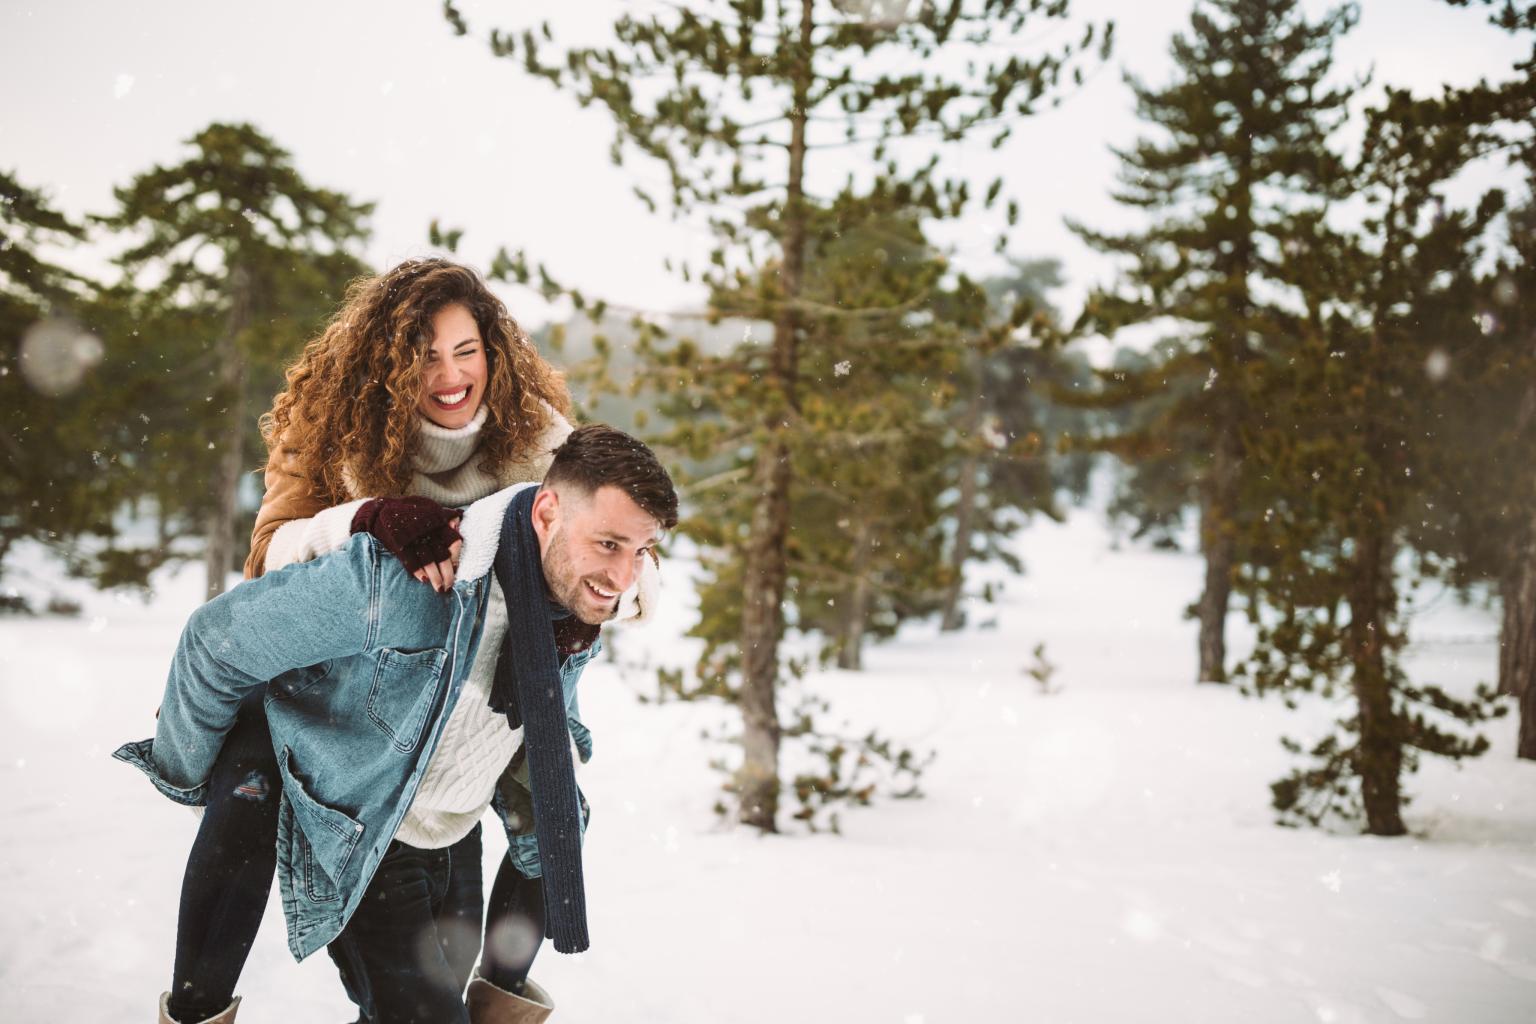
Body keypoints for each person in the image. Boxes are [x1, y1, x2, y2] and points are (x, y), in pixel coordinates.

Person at [133, 258, 655, 1024]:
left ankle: (501, 994)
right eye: (424, 356)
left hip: (459, 713)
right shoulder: (332, 431)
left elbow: (619, 538)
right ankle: (198, 1005)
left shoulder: (538, 440)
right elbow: (267, 560)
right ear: (387, 363)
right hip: (336, 692)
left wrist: (585, 608)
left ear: (493, 352)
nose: (450, 376)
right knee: (250, 782)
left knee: (550, 803)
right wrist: (362, 518)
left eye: (466, 351)